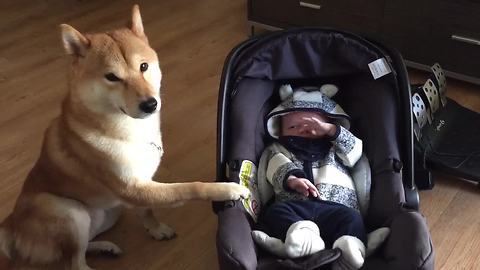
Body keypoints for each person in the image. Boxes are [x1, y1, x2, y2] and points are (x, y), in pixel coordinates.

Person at [252, 84, 386, 270]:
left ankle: (349, 247)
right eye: (293, 126)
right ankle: (303, 236)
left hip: (336, 207)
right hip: (296, 208)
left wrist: (332, 132)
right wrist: (292, 179)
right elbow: (275, 166)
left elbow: (355, 152)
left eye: (313, 125)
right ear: (280, 131)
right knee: (275, 213)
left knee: (352, 218)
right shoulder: (280, 149)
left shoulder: (334, 148)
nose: (303, 129)